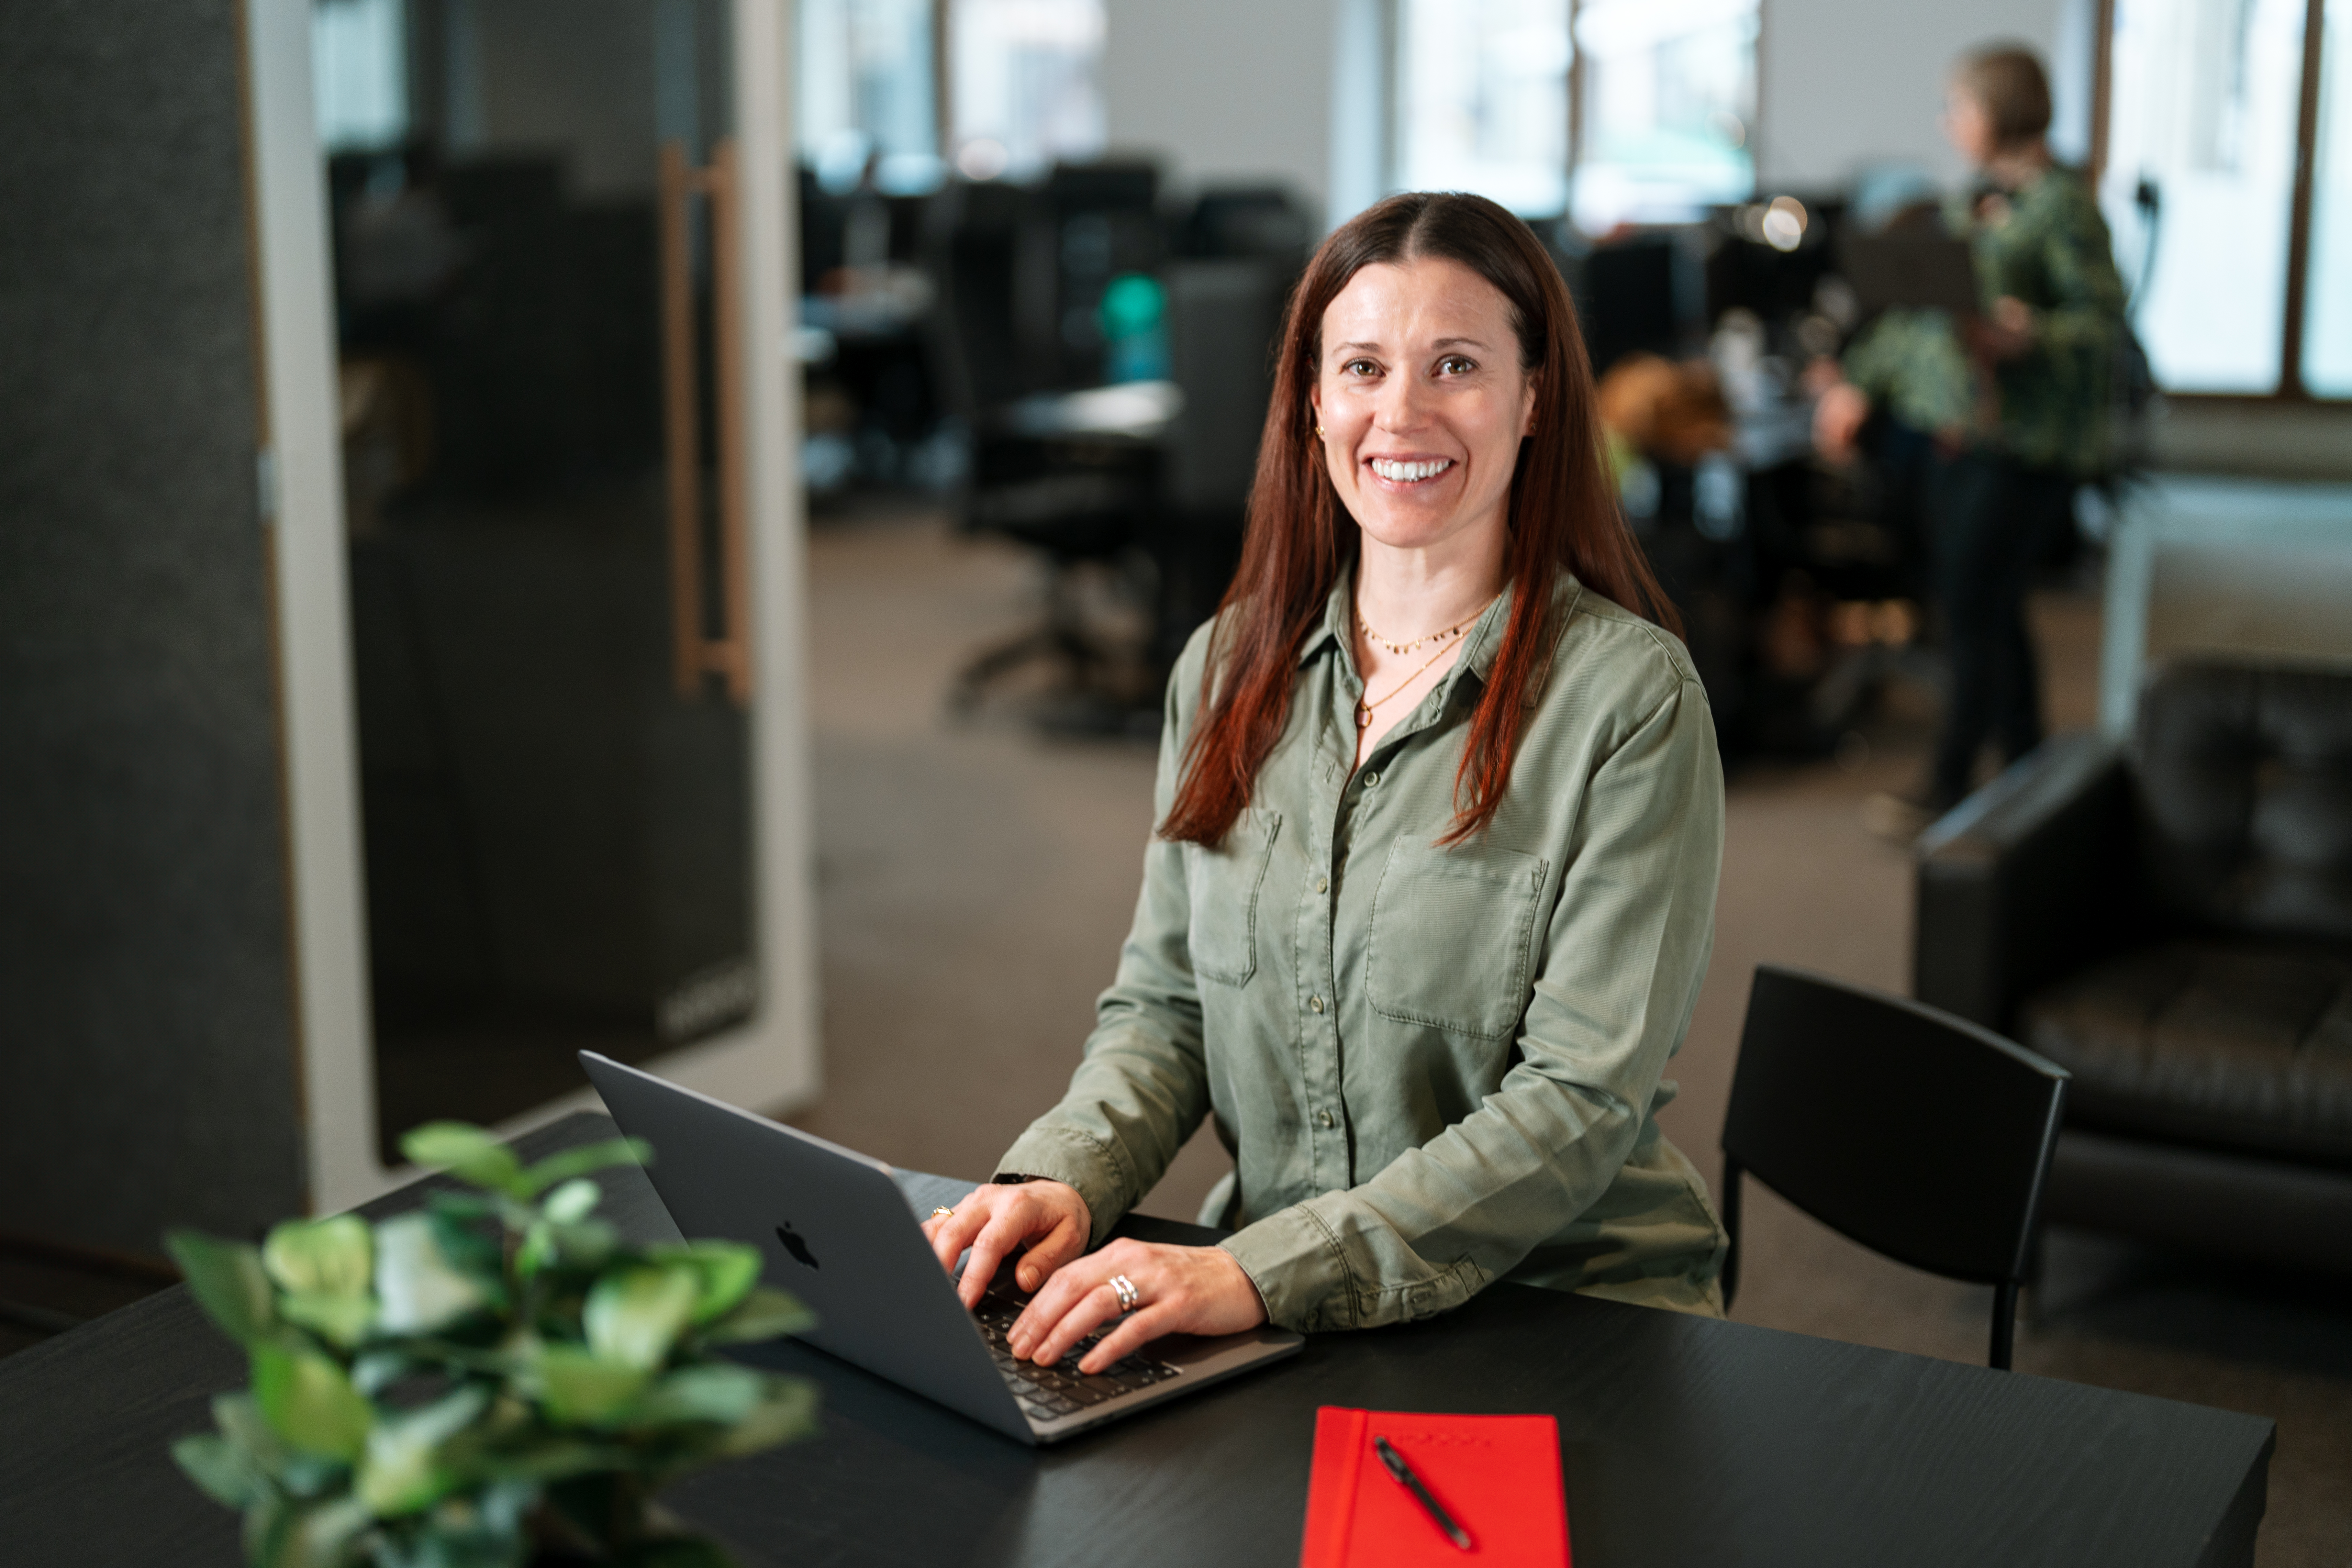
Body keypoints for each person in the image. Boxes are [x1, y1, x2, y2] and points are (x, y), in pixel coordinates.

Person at [920, 192, 1728, 1377]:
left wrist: (1256, 1273)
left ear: (1535, 397)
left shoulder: (1628, 700)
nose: (1399, 412)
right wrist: (1063, 1175)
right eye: (1361, 366)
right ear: (1312, 400)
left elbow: (1577, 1103)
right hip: (1279, 1306)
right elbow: (1168, 1006)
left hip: (1552, 1311)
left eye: (1455, 364)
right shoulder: (1223, 669)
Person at [1816, 44, 2124, 832]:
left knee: (1972, 605)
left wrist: (2031, 334)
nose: (1951, 124)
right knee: (1990, 606)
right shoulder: (1975, 203)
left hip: (2027, 440)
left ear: (2003, 111)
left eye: (1961, 108)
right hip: (1956, 432)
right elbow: (1919, 314)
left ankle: (1953, 781)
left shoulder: (2063, 207)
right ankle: (2031, 773)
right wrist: (1858, 379)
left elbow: (2103, 323)